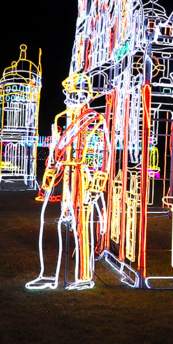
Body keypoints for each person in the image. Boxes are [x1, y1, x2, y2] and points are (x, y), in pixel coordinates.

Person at [26, 73, 109, 290]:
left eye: (77, 93)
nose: (71, 97)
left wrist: (97, 180)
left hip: (83, 175)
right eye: (69, 93)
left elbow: (100, 152)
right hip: (63, 175)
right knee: (49, 221)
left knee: (82, 226)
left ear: (86, 95)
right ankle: (47, 275)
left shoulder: (94, 119)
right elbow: (55, 148)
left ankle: (83, 276)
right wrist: (49, 174)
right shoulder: (61, 118)